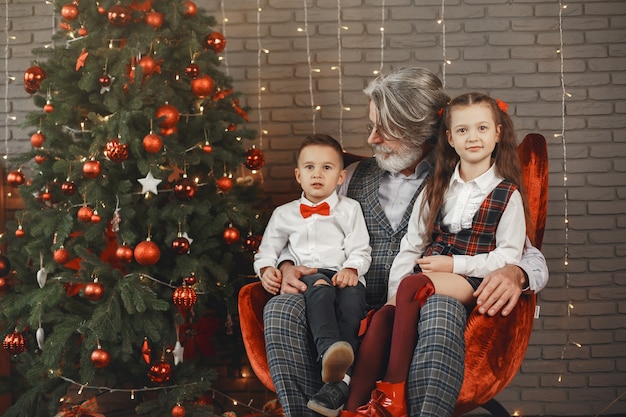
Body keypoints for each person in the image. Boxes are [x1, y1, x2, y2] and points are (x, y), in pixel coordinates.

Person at [263, 67, 549, 417]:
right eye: (371, 127)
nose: (371, 140)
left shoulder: (455, 182)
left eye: (385, 130)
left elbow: (527, 256)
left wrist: (516, 273)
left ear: (422, 133)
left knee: (441, 307)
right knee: (281, 307)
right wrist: (287, 265)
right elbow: (307, 233)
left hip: (419, 312)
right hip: (348, 304)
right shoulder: (348, 176)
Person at [343, 92, 530, 416]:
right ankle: (353, 407)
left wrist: (453, 263)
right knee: (384, 317)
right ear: (449, 138)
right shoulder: (437, 187)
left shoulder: (506, 193)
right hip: (427, 277)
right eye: (462, 131)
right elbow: (412, 245)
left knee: (412, 286)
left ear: (498, 133)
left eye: (482, 128)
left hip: (470, 278)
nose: (473, 137)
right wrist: (391, 301)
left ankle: (393, 392)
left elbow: (510, 256)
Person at [254, 134, 372, 417]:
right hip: (309, 274)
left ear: (341, 176)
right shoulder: (283, 214)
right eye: (309, 167)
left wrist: (351, 269)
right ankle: (329, 351)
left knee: (354, 300)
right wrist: (267, 270)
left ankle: (340, 376)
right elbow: (266, 251)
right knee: (319, 287)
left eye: (327, 168)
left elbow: (361, 248)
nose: (317, 174)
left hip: (343, 273)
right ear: (298, 175)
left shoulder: (350, 209)